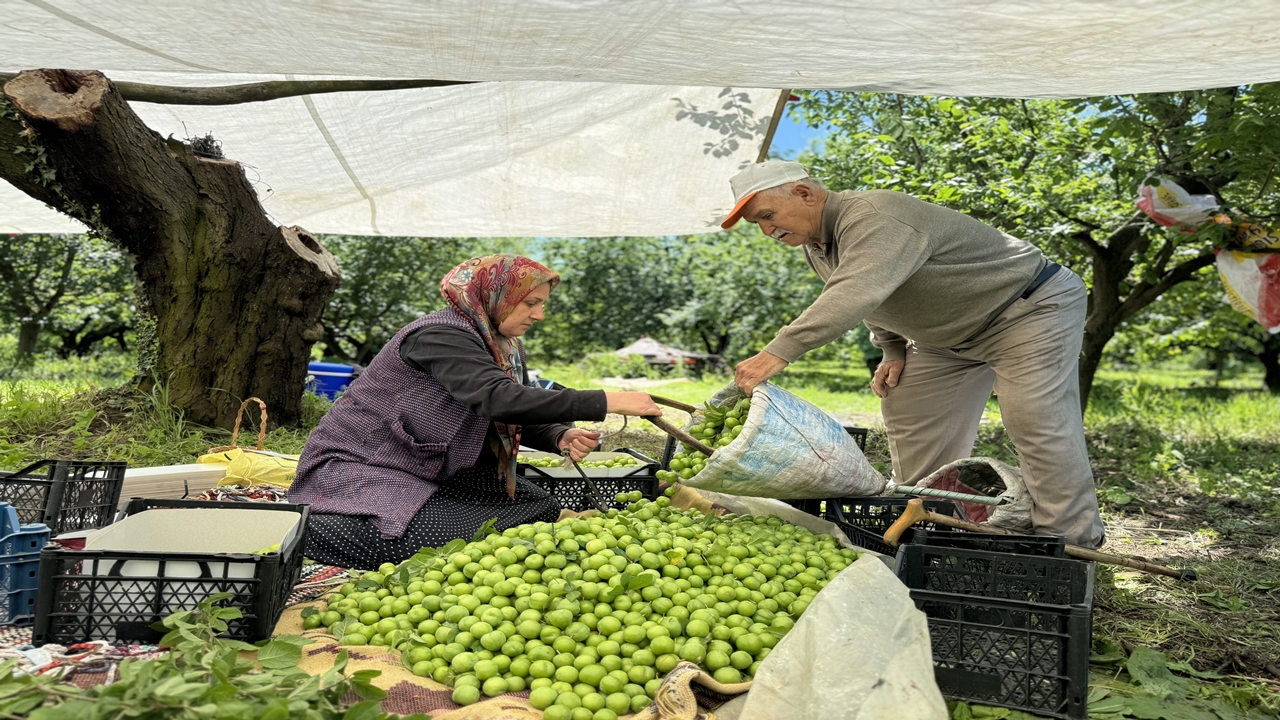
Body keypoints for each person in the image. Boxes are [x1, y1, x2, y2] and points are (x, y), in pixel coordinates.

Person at [723, 161, 1103, 547]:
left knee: (1035, 419)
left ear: (805, 194)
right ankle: (930, 521)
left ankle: (1070, 543)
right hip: (947, 337)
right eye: (758, 224)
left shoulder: (876, 215)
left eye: (768, 216)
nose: (768, 231)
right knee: (908, 403)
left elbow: (857, 291)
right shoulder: (817, 245)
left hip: (1024, 309)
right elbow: (878, 296)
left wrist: (777, 352)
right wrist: (892, 348)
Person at [289, 254, 662, 568]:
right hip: (364, 465)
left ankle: (391, 518)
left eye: (542, 304)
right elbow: (495, 398)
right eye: (530, 303)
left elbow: (503, 413)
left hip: (429, 467)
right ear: (496, 295)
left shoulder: (501, 345)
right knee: (445, 542)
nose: (539, 315)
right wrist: (607, 400)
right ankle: (309, 531)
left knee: (540, 507)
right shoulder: (439, 334)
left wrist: (556, 434)